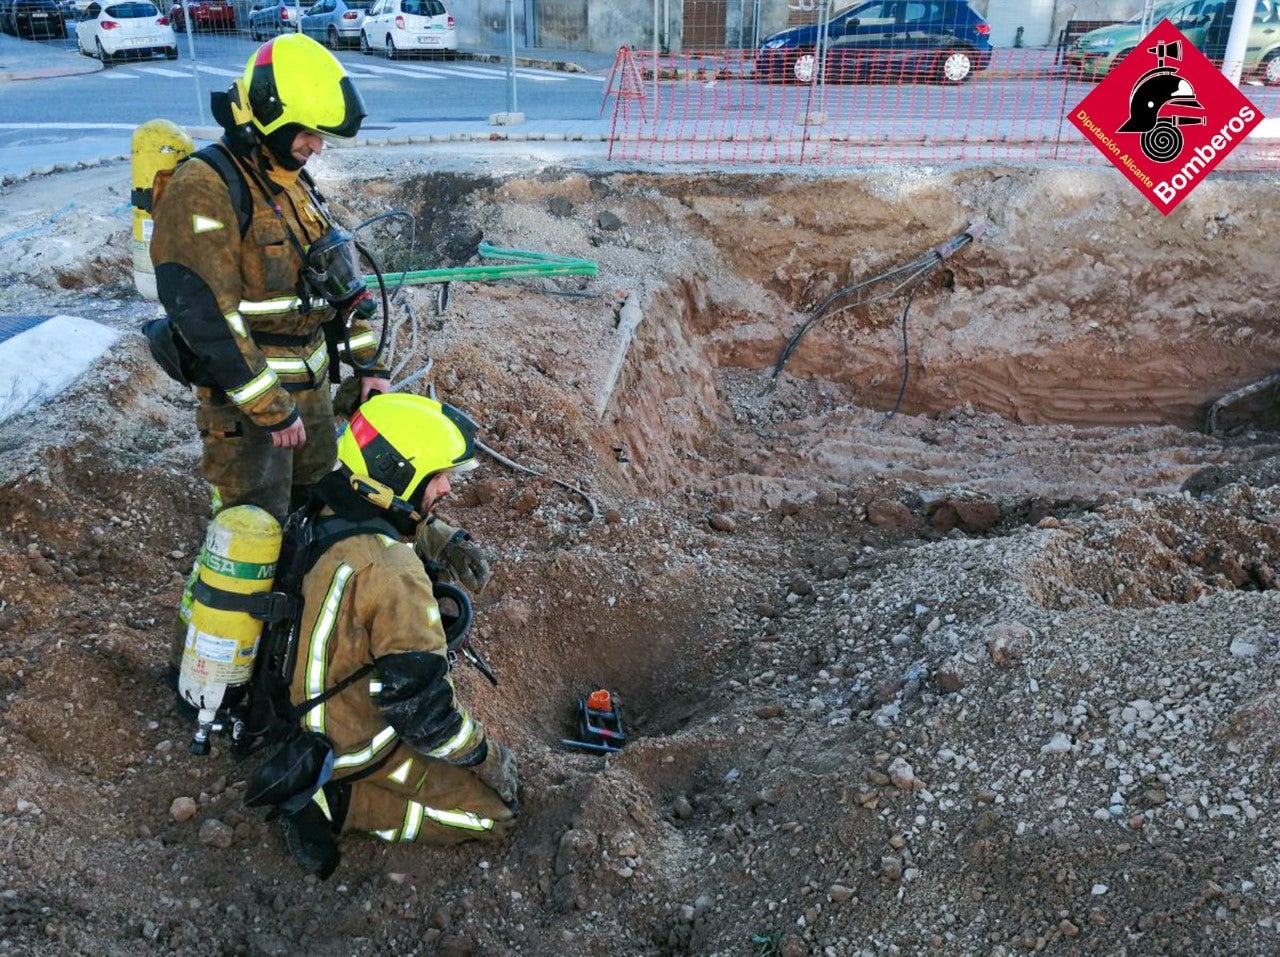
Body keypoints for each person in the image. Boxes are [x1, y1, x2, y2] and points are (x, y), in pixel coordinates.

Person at [150, 33, 390, 669]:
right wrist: (270, 409)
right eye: (308, 131)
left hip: (307, 408)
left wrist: (368, 368)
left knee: (309, 525)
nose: (317, 145)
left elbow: (342, 289)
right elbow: (205, 315)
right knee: (247, 541)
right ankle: (207, 671)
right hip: (252, 418)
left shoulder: (290, 183)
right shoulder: (206, 187)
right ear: (269, 117)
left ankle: (284, 658)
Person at [281, 393, 518, 875]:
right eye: (437, 477)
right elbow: (425, 716)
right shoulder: (393, 574)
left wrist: (439, 536)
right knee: (494, 818)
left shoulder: (323, 497)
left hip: (289, 706)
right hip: (346, 745)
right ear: (398, 475)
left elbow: (380, 510)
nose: (448, 488)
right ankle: (339, 801)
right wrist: (485, 755)